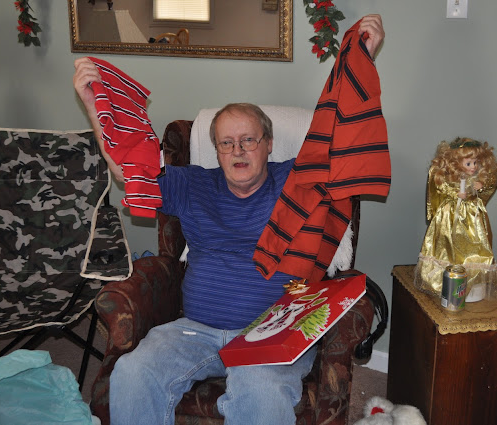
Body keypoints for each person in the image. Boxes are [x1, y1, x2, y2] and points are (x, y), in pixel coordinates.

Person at [73, 14, 384, 425]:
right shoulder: (193, 184)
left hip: (272, 337)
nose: (237, 151)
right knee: (133, 371)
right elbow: (129, 168)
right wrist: (93, 103)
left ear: (268, 144)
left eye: (248, 140)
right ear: (216, 150)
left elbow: (344, 143)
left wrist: (364, 57)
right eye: (226, 143)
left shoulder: (296, 182)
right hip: (195, 330)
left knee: (260, 392)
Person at [415, 137, 497, 301]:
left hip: (472, 218)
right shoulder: (448, 178)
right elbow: (440, 187)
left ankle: (472, 282)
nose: (473, 167)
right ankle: (446, 282)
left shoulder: (476, 179)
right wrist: (456, 193)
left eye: (475, 162)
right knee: (449, 245)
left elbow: (492, 181)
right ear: (456, 163)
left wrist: (480, 186)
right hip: (451, 217)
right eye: (468, 163)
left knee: (475, 246)